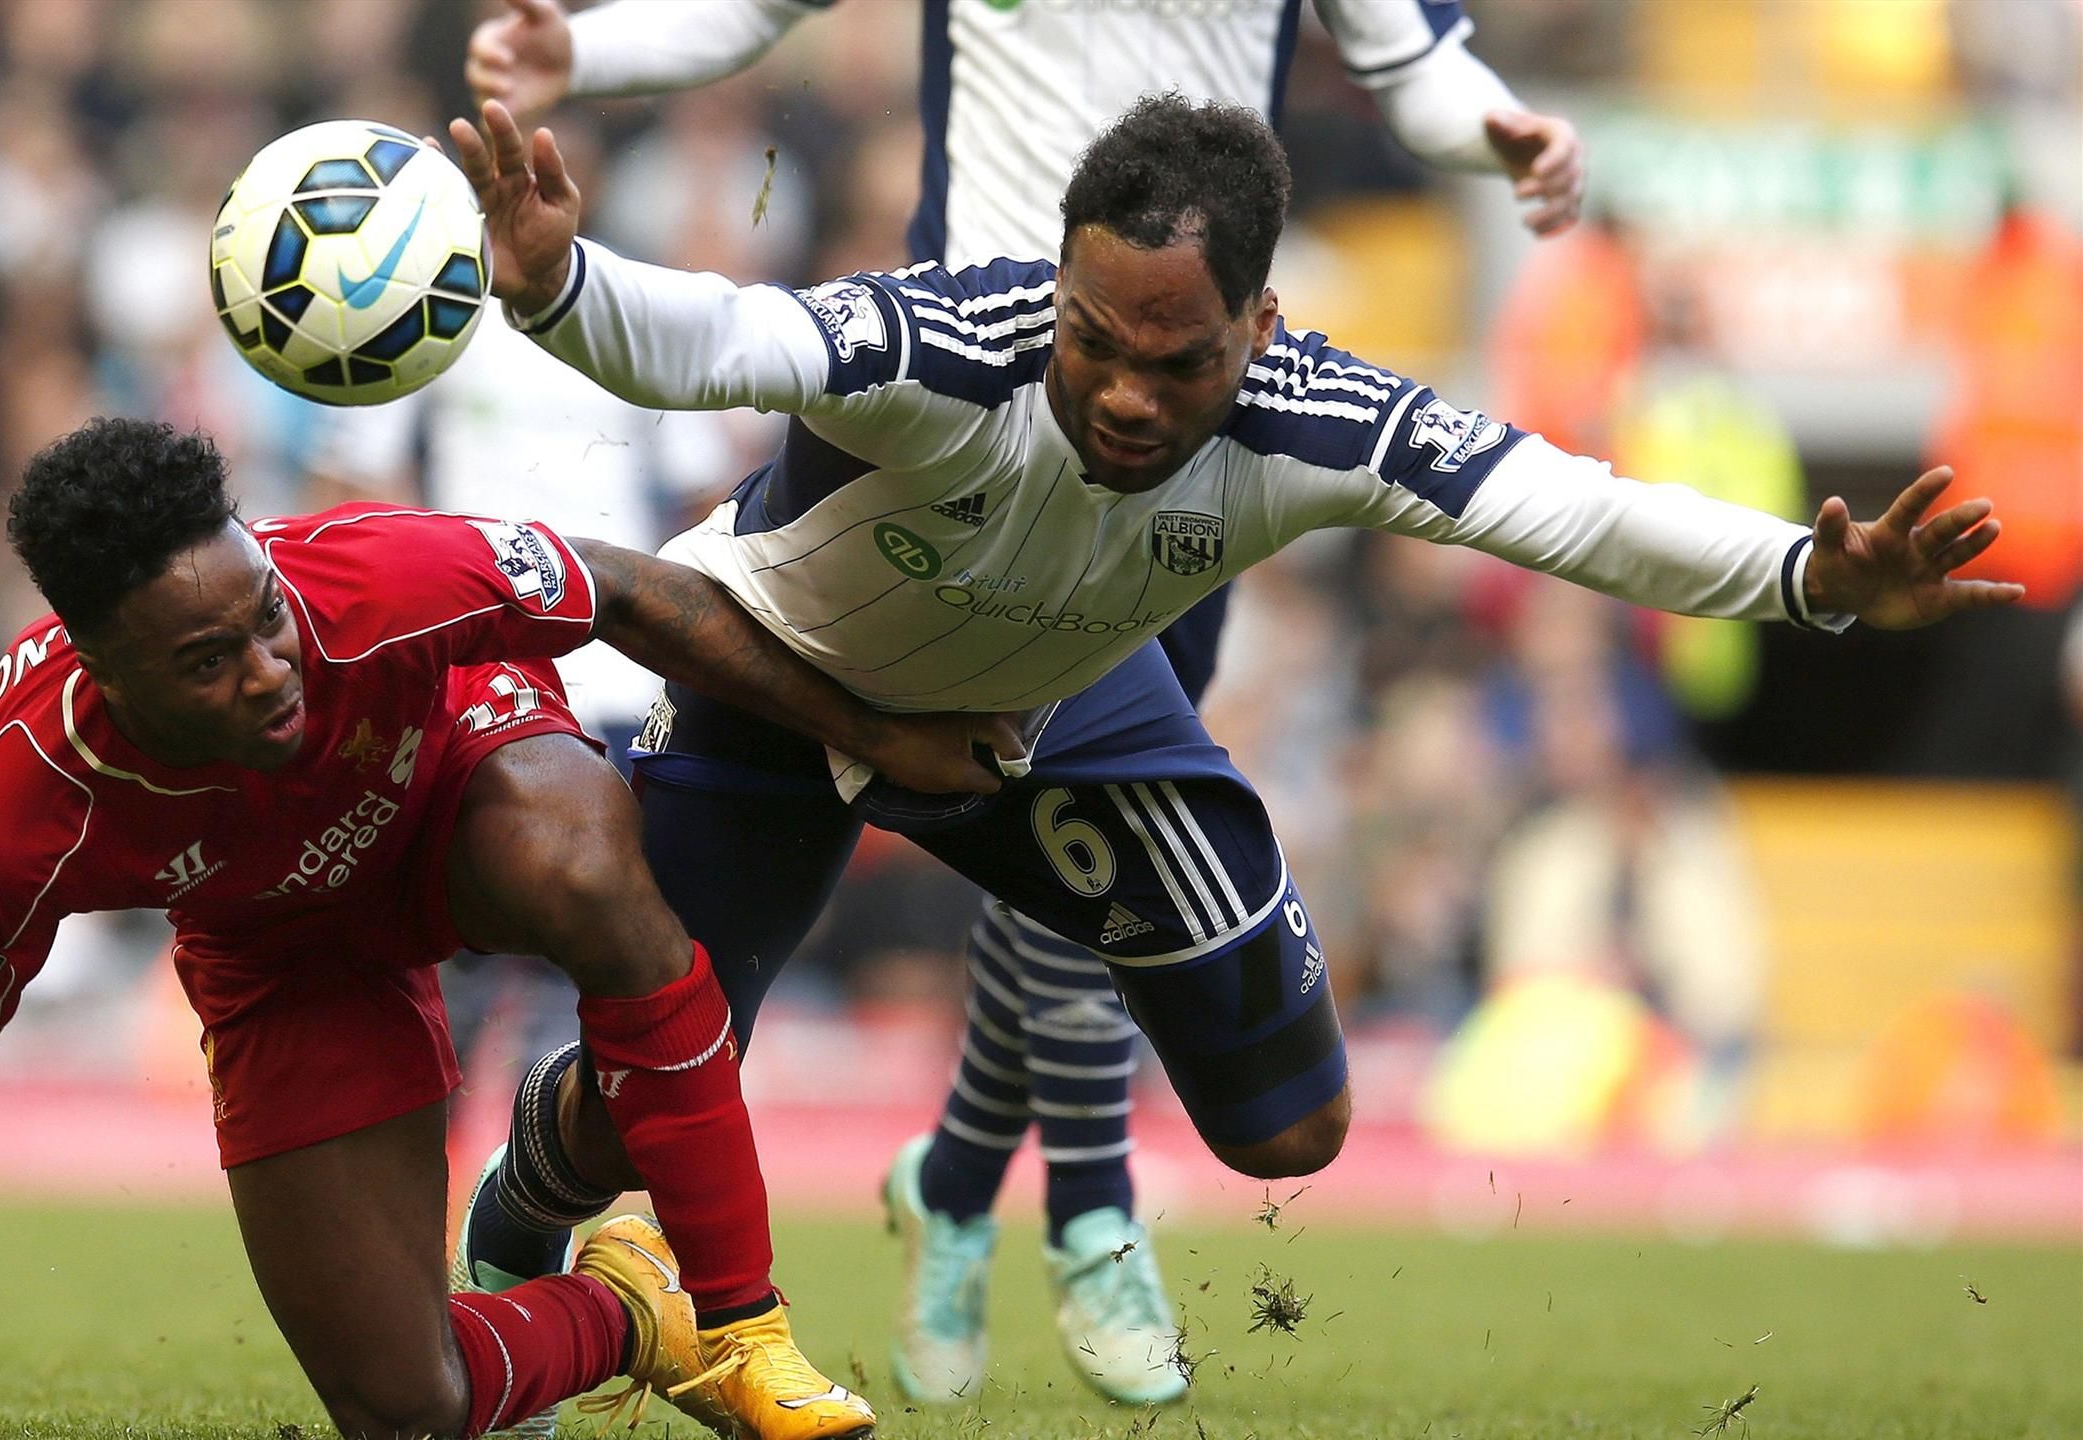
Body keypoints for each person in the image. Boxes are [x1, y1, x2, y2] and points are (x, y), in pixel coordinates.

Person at [443, 89, 2022, 1413]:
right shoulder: (947, 342)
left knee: (1293, 1127)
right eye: (1094, 339)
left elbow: (1577, 511)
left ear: (1260, 326)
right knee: (636, 1103)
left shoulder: (1319, 418)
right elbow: (721, 339)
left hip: (1052, 709)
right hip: (772, 684)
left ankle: (1073, 1110)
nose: (1125, 394)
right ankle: (532, 1191)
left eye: (1178, 359)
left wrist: (1814, 580)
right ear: (1055, 280)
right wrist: (556, 287)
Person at [468, 0, 1587, 1403]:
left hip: (1177, 435)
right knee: (681, 1056)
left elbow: (1415, 66)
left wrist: (1495, 126)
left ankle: (1008, 1189)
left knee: (1085, 878)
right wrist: (593, 54)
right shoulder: (968, 336)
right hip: (973, 400)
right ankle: (1068, 1204)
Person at [0, 417, 1020, 1439]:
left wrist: (876, 737)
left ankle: (746, 1323)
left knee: (581, 870)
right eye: (208, 661)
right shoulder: (16, 809)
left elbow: (641, 594)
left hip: (456, 781)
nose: (272, 670)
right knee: (406, 1409)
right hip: (280, 949)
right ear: (106, 673)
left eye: (266, 618)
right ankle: (639, 1307)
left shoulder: (369, 573)